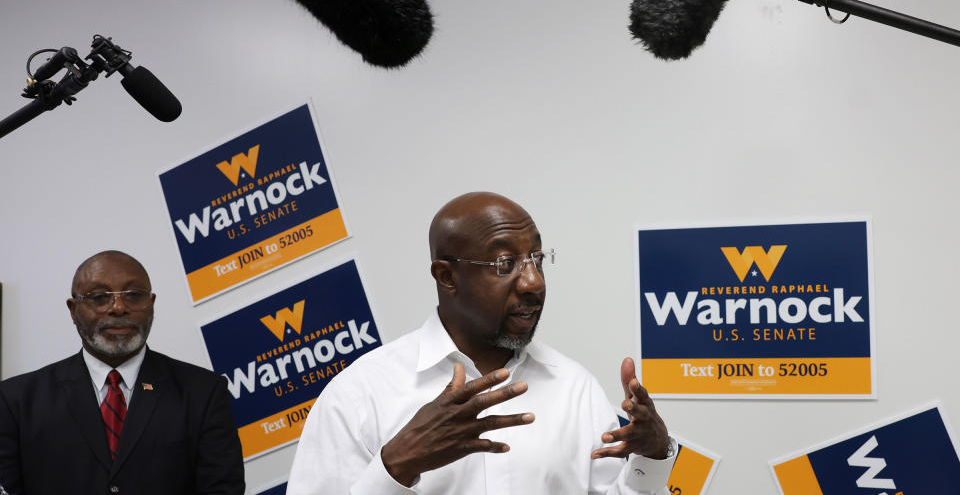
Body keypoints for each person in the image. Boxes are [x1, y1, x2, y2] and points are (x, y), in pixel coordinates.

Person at [287, 192, 677, 494]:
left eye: (537, 259)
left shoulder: (575, 388)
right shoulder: (360, 395)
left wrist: (654, 456)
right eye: (505, 264)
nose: (533, 282)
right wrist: (396, 466)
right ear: (446, 276)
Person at [0, 250, 245, 495]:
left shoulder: (203, 392)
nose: (118, 308)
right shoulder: (16, 401)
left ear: (151, 304)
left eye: (134, 295)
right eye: (99, 297)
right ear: (73, 310)